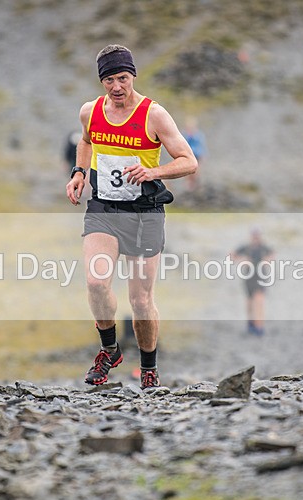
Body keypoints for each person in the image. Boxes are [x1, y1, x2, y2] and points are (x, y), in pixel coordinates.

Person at [66, 44, 197, 389]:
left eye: (122, 78)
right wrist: (79, 172)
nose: (117, 87)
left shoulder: (154, 114)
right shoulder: (90, 111)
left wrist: (154, 173)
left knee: (140, 301)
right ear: (102, 82)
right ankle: (109, 350)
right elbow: (85, 141)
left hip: (144, 213)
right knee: (96, 282)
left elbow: (188, 160)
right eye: (109, 80)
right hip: (105, 209)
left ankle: (149, 367)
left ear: (133, 76)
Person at [230, 229, 274, 336]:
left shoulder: (263, 248)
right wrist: (242, 260)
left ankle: (259, 326)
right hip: (248, 278)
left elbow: (272, 255)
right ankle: (251, 323)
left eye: (257, 236)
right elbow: (232, 255)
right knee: (249, 302)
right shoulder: (246, 248)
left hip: (260, 277)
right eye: (254, 236)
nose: (256, 238)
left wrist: (266, 261)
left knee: (259, 301)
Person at [182, 117, 207, 191]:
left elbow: (201, 146)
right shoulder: (184, 135)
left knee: (196, 171)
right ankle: (189, 187)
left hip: (197, 156)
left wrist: (203, 156)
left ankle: (195, 186)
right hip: (188, 156)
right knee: (187, 172)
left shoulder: (199, 135)